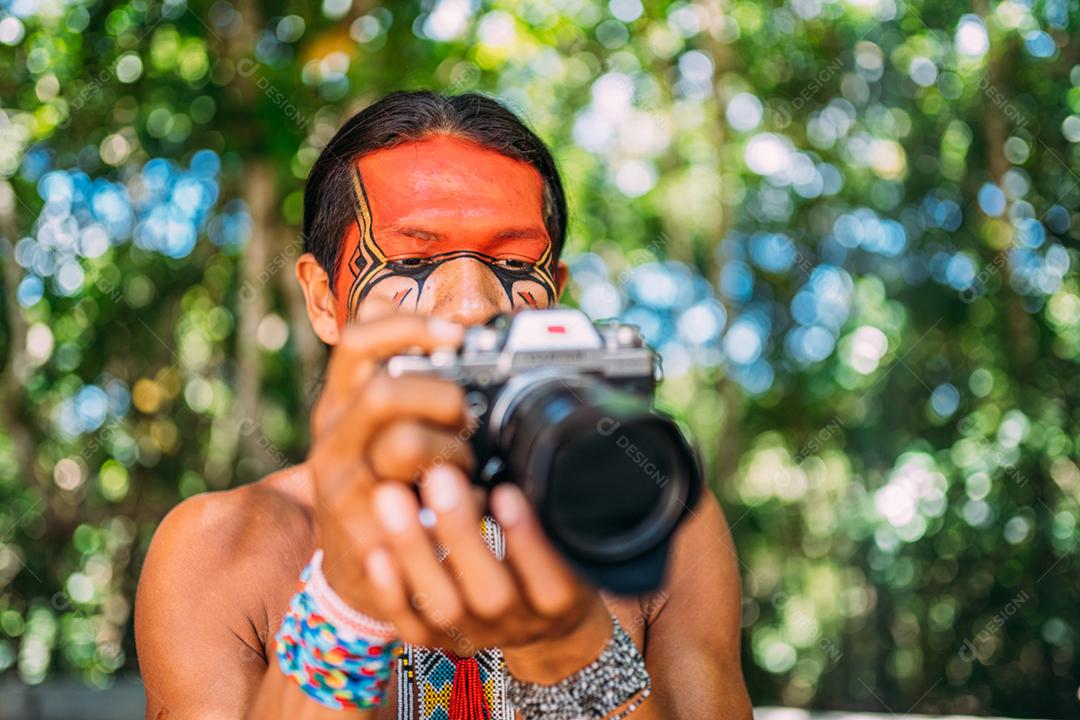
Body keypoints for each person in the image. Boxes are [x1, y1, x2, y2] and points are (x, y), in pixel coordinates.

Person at [134, 91, 752, 720]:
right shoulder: (223, 548)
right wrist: (344, 604)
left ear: (554, 298)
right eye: (412, 259)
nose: (472, 304)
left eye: (512, 262)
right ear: (323, 300)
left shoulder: (654, 514)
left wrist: (569, 651)